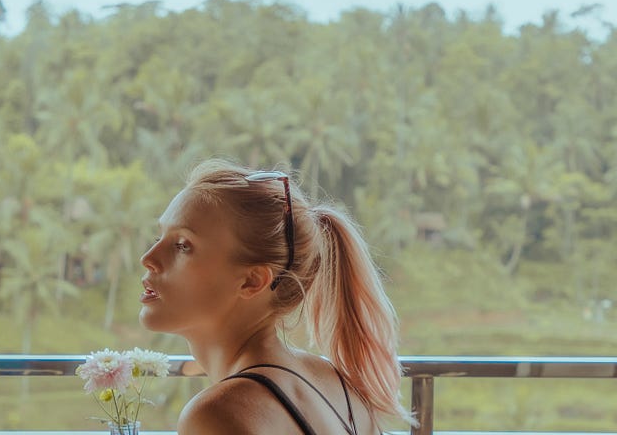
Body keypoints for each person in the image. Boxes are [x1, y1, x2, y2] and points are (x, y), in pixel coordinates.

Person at [139, 159, 418, 434]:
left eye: (182, 245)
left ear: (252, 281)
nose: (148, 258)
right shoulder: (336, 384)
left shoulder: (217, 416)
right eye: (159, 237)